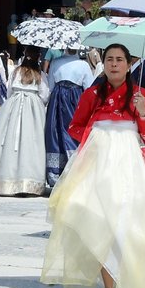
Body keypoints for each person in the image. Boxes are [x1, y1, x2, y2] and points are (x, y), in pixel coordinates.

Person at [41, 43, 145, 288]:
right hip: (97, 161)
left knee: (127, 221)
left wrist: (143, 113)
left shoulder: (141, 95)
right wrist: (96, 139)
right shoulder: (92, 94)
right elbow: (75, 126)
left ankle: (130, 282)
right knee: (98, 218)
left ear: (128, 64)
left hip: (130, 163)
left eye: (120, 60)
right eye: (109, 59)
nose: (114, 64)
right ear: (102, 63)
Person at [0, 54, 49, 195]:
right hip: (33, 106)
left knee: (7, 140)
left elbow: (10, 90)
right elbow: (45, 95)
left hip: (13, 104)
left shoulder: (16, 71)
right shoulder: (40, 74)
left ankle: (5, 177)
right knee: (31, 142)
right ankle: (28, 181)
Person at [44, 48, 93, 189]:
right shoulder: (83, 64)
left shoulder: (56, 62)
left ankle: (55, 174)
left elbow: (51, 85)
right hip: (75, 100)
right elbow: (88, 87)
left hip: (57, 101)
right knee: (73, 134)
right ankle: (74, 171)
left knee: (55, 134)